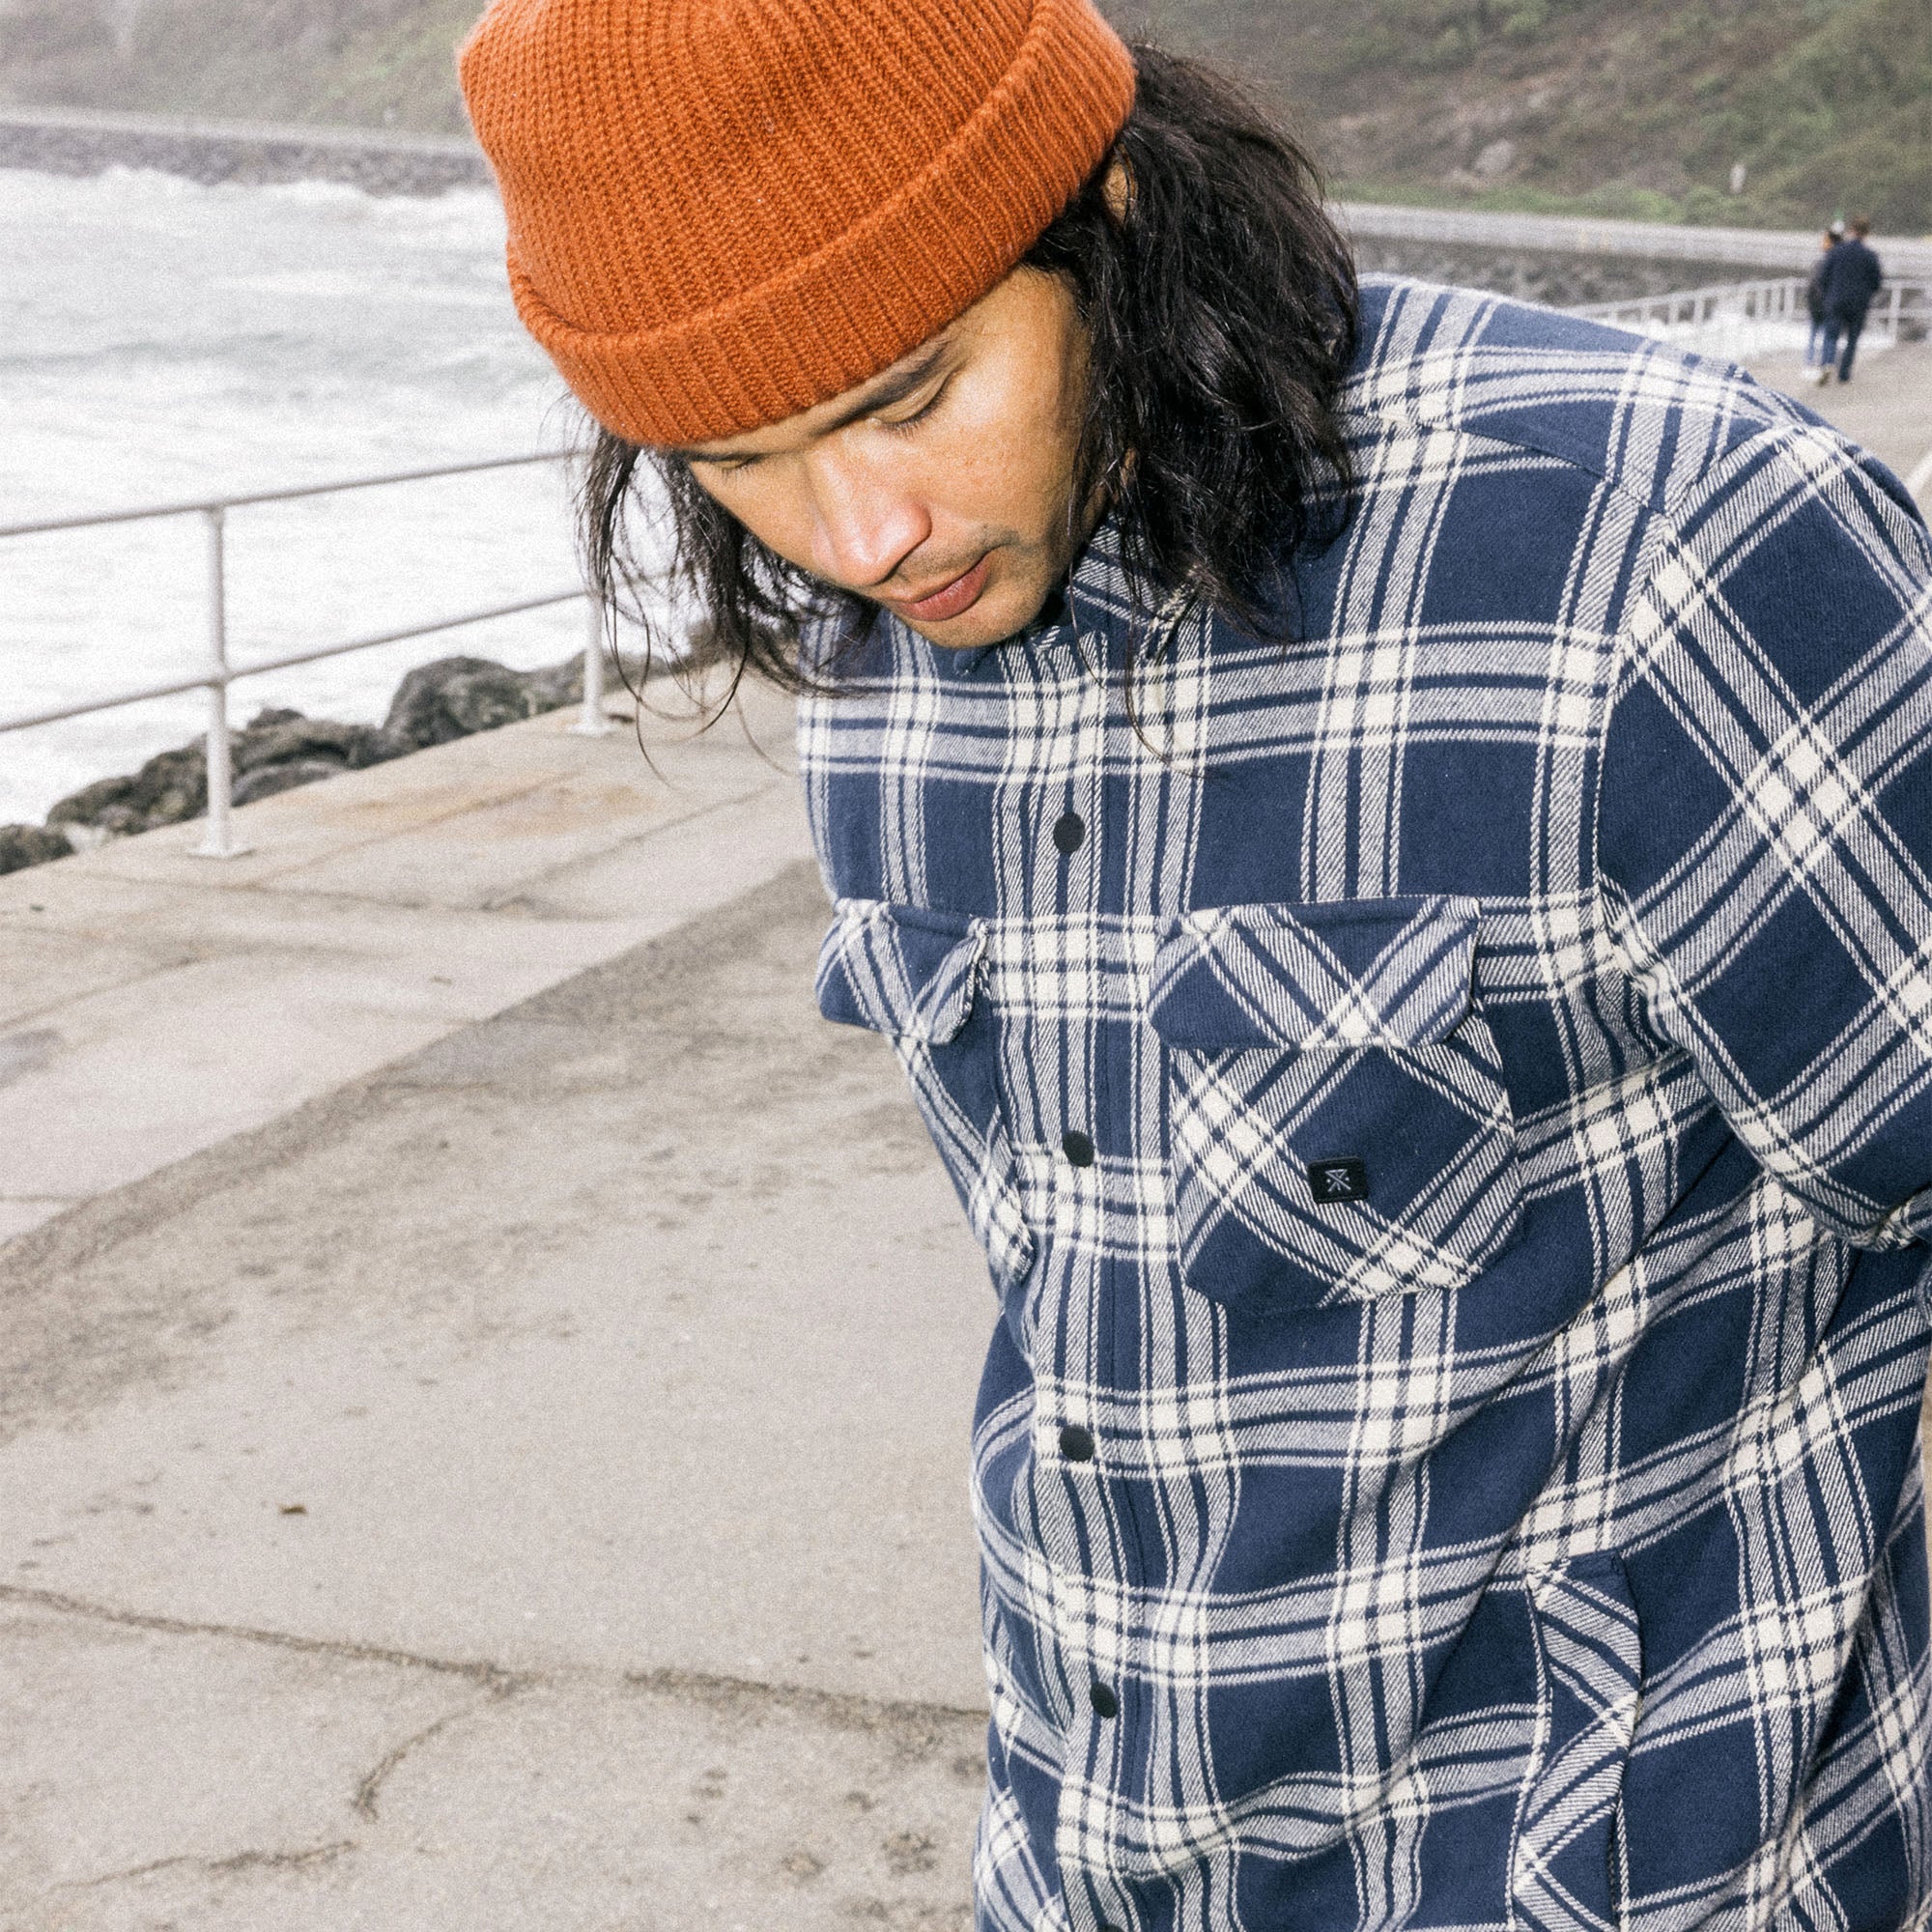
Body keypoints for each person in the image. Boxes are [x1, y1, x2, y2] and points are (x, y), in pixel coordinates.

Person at [461, 2, 1932, 1925]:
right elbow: (1089, 1329)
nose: (863, 533)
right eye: (740, 453)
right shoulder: (887, 662)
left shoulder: (1654, 551)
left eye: (911, 392)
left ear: (1119, 207)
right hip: (1095, 1858)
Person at [1818, 213, 1884, 384]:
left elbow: (1823, 276)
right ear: (1867, 233)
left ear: (1851, 230)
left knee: (1831, 335)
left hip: (1836, 300)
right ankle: (1844, 374)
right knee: (1852, 339)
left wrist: (1827, 294)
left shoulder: (1837, 251)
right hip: (1858, 303)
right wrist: (1866, 294)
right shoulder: (1870, 255)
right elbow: (1877, 282)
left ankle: (1827, 363)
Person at [1804, 225, 1839, 370]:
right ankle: (1825, 364)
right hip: (1826, 305)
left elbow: (1815, 284)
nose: (1821, 243)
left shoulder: (1824, 263)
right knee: (1826, 337)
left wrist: (1814, 302)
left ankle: (1812, 363)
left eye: (1824, 240)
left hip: (1821, 306)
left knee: (1818, 336)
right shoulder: (1833, 262)